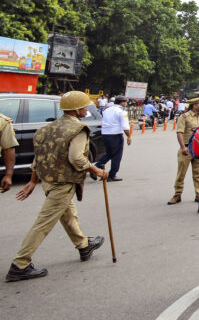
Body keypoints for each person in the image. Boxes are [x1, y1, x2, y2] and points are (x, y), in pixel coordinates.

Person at [7, 91, 106, 282]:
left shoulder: (46, 129)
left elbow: (39, 159)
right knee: (43, 223)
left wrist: (34, 181)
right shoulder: (78, 130)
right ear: (77, 110)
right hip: (63, 183)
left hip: (48, 181)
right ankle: (20, 265)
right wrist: (96, 170)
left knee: (68, 214)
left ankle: (83, 246)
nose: (87, 109)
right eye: (85, 107)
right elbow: (76, 158)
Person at [168, 97, 199, 205]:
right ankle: (177, 194)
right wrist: (183, 147)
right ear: (195, 105)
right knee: (181, 173)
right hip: (186, 148)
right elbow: (179, 132)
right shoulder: (184, 117)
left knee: (198, 174)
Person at [94, 95, 130, 182]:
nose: (125, 104)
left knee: (109, 154)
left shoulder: (107, 110)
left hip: (105, 135)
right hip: (115, 135)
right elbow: (125, 126)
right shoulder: (122, 112)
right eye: (125, 102)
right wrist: (129, 136)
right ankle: (112, 175)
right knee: (117, 156)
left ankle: (95, 167)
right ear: (122, 102)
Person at [0, 110, 15, 193]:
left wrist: (8, 175)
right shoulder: (3, 121)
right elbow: (8, 148)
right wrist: (8, 175)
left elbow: (8, 148)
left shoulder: (3, 122)